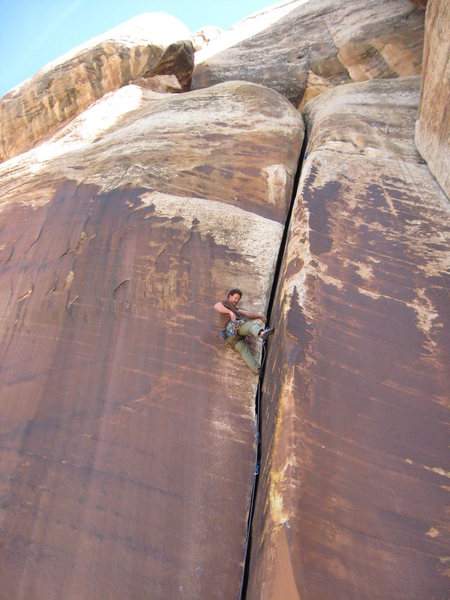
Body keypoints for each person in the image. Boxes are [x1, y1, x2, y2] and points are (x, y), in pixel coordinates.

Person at [214, 288, 274, 374]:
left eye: (238, 299)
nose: (236, 300)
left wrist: (259, 315)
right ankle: (261, 333)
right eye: (235, 297)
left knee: (244, 351)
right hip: (232, 328)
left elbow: (246, 313)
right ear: (230, 296)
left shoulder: (235, 309)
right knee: (250, 326)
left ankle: (257, 370)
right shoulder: (225, 303)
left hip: (230, 338)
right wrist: (230, 312)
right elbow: (217, 306)